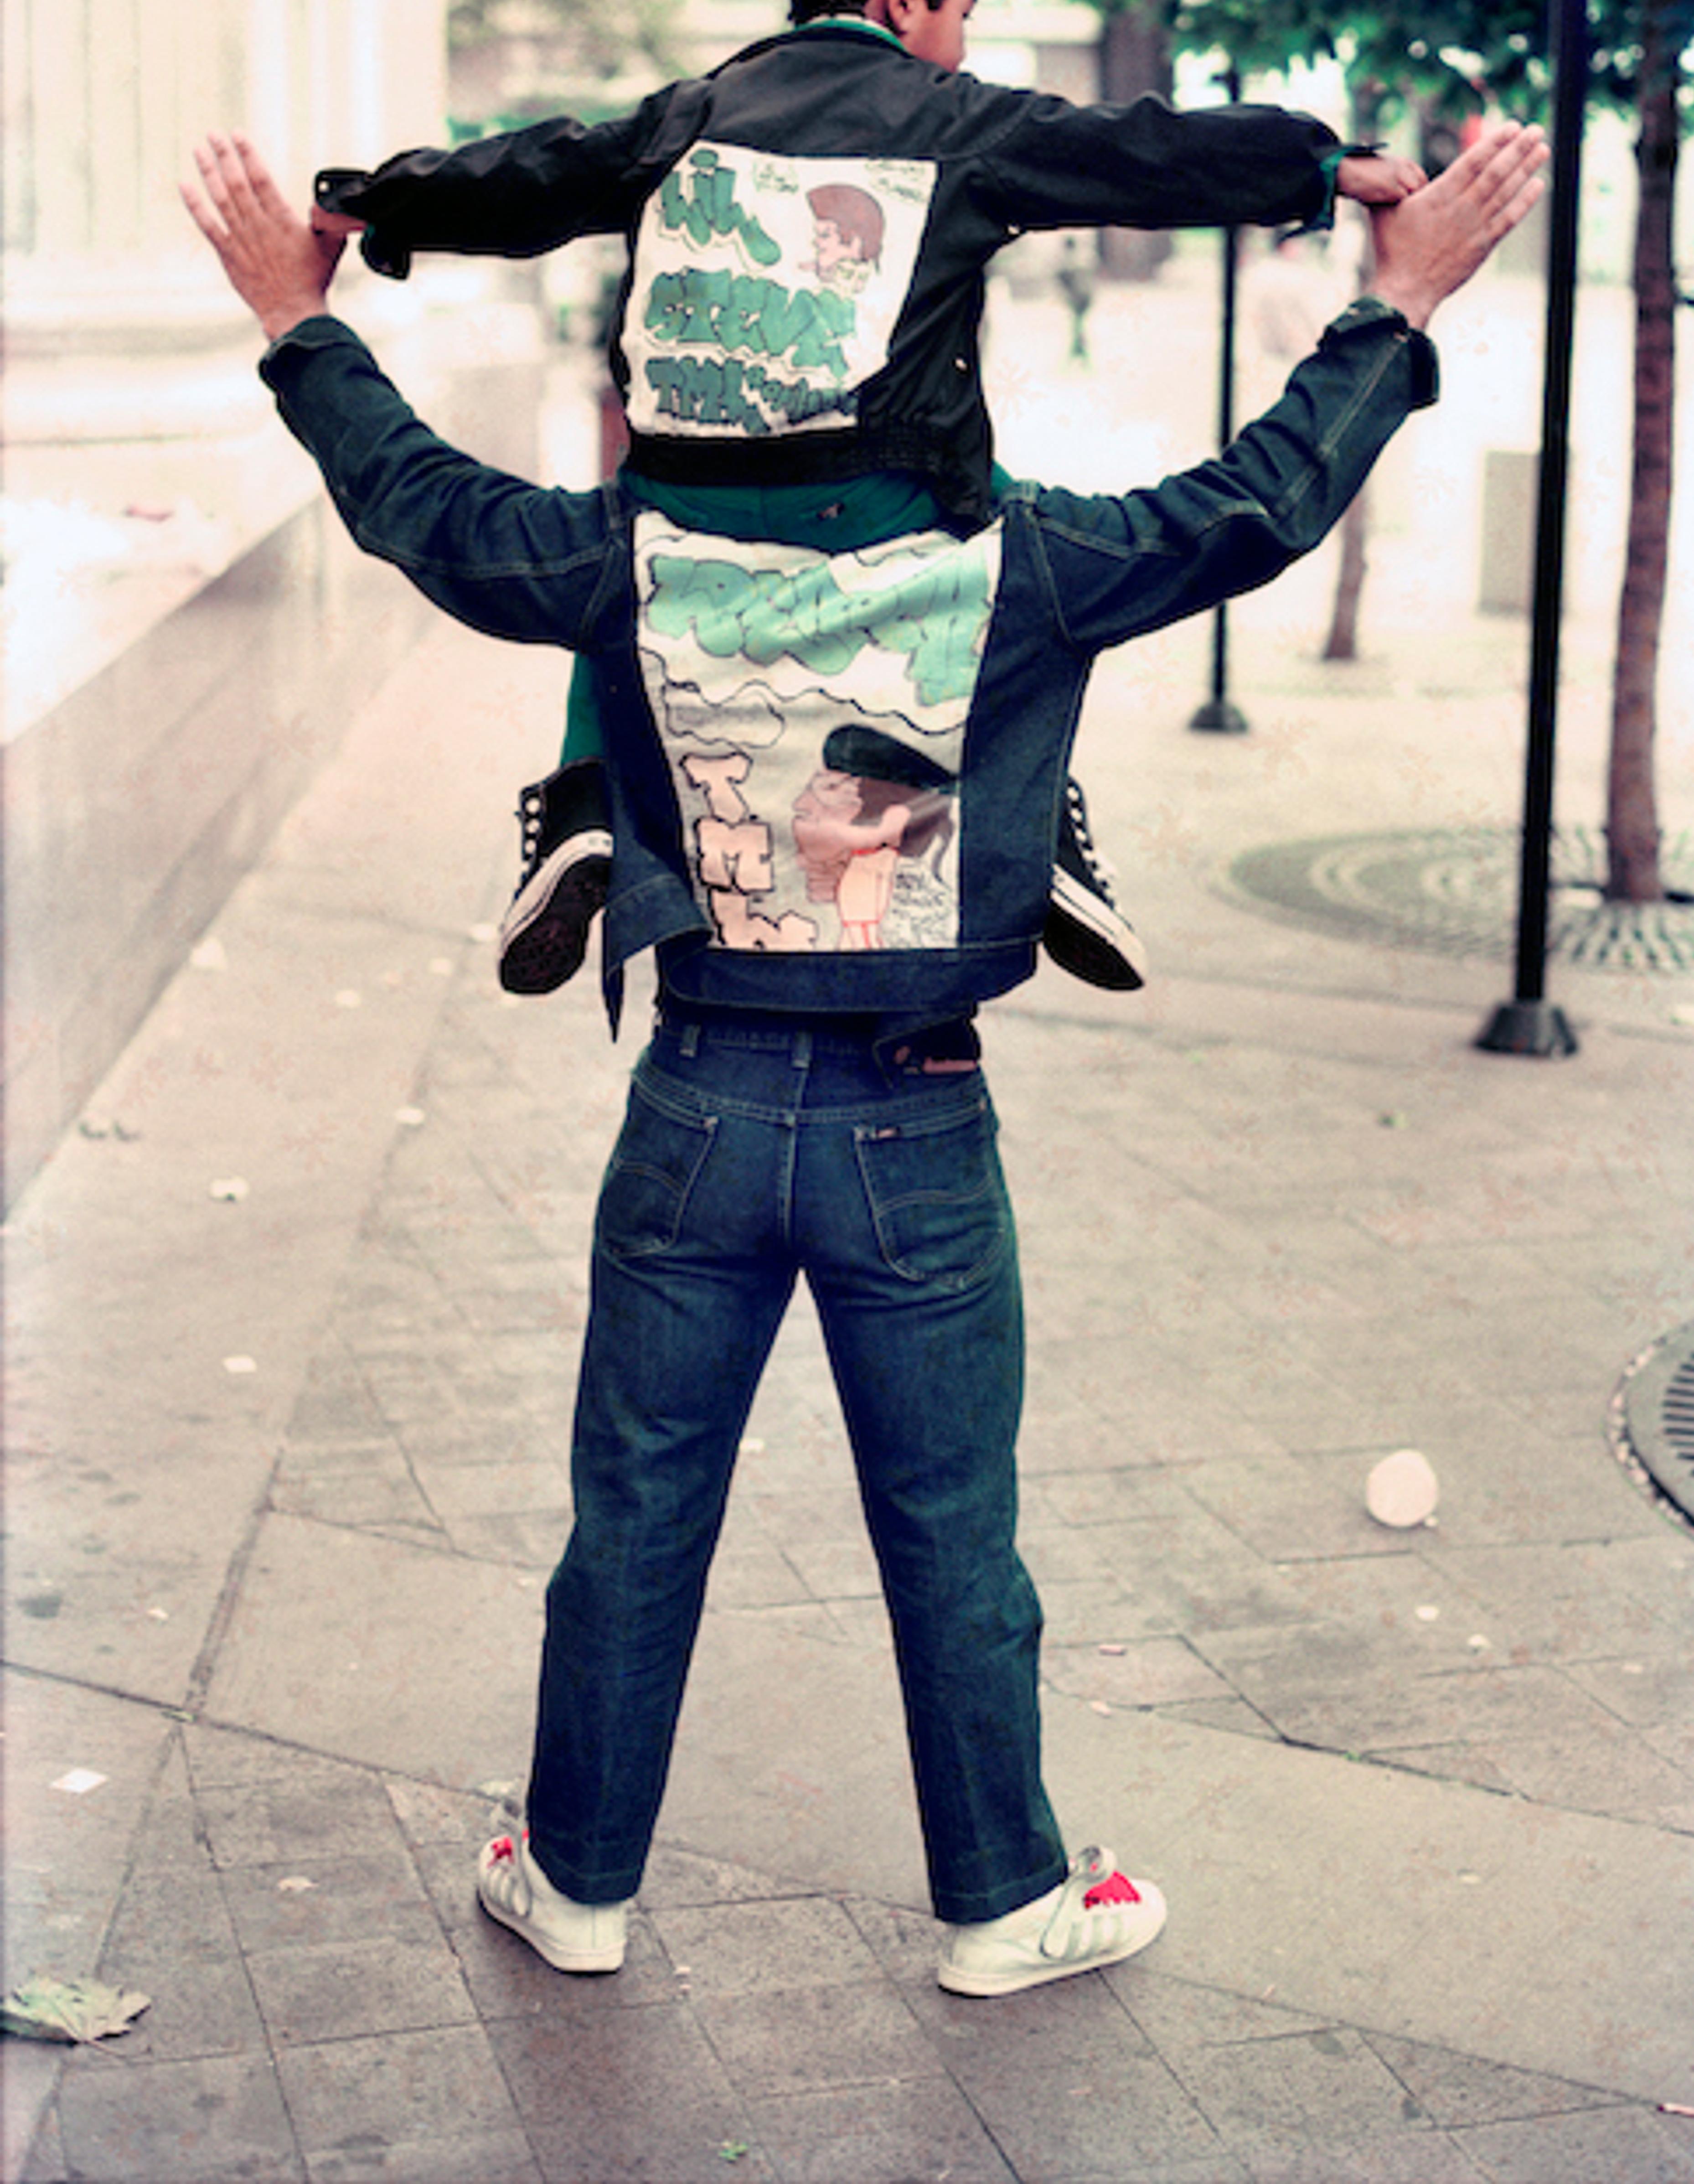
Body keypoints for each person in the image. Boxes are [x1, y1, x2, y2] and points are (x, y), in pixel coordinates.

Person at [182, 114, 1547, 1996]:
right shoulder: (1028, 564)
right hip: (918, 1109)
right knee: (952, 1531)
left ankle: (574, 1880)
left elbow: (425, 507)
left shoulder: (638, 563)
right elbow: (1260, 503)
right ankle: (1002, 1901)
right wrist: (1391, 314)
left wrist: (297, 323)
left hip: (699, 1100)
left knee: (637, 1510)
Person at [312, 0, 1425, 1003]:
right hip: (876, 498)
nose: (963, 43)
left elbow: (532, 173)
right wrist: (1322, 165)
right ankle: (1037, 823)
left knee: (627, 559)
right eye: (963, 12)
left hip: (686, 496)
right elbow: (1140, 154)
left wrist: (376, 204)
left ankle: (583, 797)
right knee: (1013, 563)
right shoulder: (960, 123)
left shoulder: (679, 123)